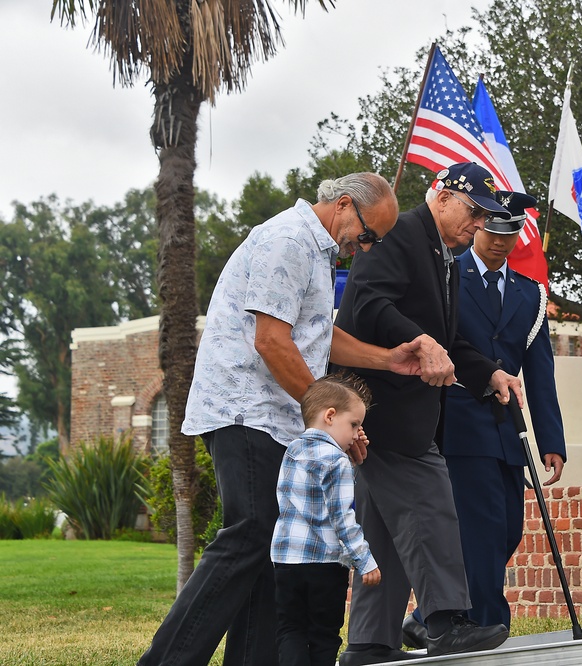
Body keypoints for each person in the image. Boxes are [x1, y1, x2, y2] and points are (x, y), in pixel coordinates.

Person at [139, 173, 447, 666]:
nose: (366, 248)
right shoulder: (288, 240)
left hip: (276, 418)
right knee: (253, 530)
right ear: (344, 205)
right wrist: (325, 424)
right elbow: (271, 341)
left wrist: (390, 358)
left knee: (270, 550)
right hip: (245, 410)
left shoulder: (316, 252)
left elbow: (319, 339)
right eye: (367, 235)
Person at [333, 162, 525, 666]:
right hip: (384, 409)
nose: (479, 224)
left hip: (392, 415)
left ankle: (370, 643)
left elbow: (451, 337)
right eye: (474, 211)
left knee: (385, 529)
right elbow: (368, 305)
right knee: (431, 504)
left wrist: (489, 374)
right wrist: (418, 341)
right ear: (441, 197)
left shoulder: (443, 255)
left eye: (485, 216)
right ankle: (446, 623)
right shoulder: (398, 234)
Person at [401, 191, 567, 649]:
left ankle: (426, 617)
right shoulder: (449, 275)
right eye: (493, 230)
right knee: (478, 528)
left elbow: (540, 370)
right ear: (478, 227)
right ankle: (484, 623)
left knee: (507, 527)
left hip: (506, 426)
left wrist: (551, 438)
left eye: (510, 232)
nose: (500, 241)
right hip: (457, 419)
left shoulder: (530, 294)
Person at [271, 371, 380, 666]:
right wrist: (364, 560)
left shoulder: (291, 450)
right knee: (324, 633)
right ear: (330, 416)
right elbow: (342, 517)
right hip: (324, 564)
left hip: (285, 561)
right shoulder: (336, 460)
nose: (358, 433)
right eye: (354, 424)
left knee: (290, 629)